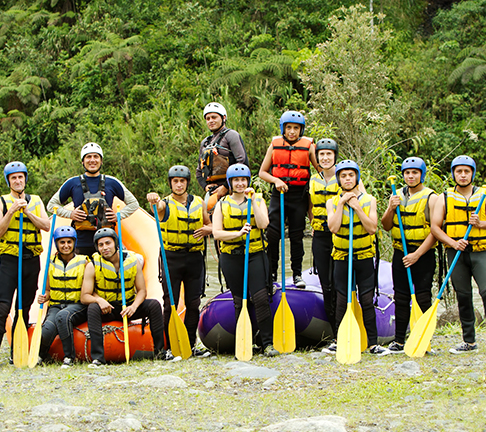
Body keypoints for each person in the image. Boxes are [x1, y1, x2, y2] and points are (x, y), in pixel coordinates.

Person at [212, 164, 278, 356]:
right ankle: (244, 342)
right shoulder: (221, 204)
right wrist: (238, 233)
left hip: (255, 254)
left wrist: (253, 201)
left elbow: (264, 224)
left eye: (243, 180)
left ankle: (267, 343)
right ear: (230, 183)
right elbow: (217, 233)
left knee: (261, 298)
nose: (240, 184)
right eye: (236, 180)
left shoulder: (258, 200)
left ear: (248, 181)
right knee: (240, 301)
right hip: (231, 257)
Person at [147, 165, 212, 357]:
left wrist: (208, 229)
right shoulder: (164, 204)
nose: (179, 184)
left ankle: (190, 345)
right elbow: (157, 207)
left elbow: (209, 224)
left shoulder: (199, 202)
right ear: (170, 184)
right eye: (175, 181)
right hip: (171, 258)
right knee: (171, 303)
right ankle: (168, 348)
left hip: (194, 258)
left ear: (187, 183)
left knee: (193, 304)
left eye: (182, 181)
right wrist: (153, 199)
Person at [326, 160, 388, 355]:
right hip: (342, 257)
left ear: (356, 178)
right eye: (343, 176)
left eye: (351, 175)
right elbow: (333, 228)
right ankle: (338, 340)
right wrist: (342, 203)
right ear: (339, 179)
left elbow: (372, 228)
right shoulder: (332, 202)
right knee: (342, 299)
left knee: (367, 300)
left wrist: (357, 207)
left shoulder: (369, 200)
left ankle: (373, 343)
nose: (347, 179)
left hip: (363, 256)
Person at [81, 228, 168, 366]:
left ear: (116, 244)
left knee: (154, 305)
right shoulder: (92, 265)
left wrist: (133, 307)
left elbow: (142, 291)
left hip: (128, 307)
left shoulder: (133, 262)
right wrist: (99, 300)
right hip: (107, 309)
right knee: (92, 308)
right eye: (100, 245)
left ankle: (160, 351)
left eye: (108, 243)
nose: (105, 248)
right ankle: (98, 357)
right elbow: (85, 296)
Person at [430, 155, 486, 354]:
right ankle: (469, 341)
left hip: (481, 251)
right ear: (453, 174)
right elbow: (435, 227)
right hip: (456, 253)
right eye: (459, 171)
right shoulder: (444, 197)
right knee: (463, 295)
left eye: (466, 171)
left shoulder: (484, 195)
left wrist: (481, 224)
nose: (463, 175)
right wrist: (454, 243)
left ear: (472, 174)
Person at [381, 157, 438, 353]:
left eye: (415, 172)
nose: (411, 176)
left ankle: (424, 339)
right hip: (400, 252)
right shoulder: (396, 195)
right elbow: (386, 225)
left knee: (423, 296)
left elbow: (435, 231)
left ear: (422, 174)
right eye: (407, 173)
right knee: (401, 296)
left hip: (423, 253)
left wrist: (417, 255)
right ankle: (399, 341)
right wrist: (391, 208)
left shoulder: (432, 197)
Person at [259, 110, 319, 288]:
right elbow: (262, 172)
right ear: (283, 128)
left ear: (301, 130)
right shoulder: (275, 145)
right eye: (289, 128)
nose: (292, 131)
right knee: (272, 235)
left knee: (296, 236)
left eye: (296, 128)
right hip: (279, 195)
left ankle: (297, 274)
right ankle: (271, 273)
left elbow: (321, 170)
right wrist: (276, 180)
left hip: (299, 196)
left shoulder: (309, 146)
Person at [47, 142, 139, 256]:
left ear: (101, 161)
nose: (92, 160)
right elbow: (51, 205)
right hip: (81, 242)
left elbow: (133, 203)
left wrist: (118, 216)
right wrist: (70, 214)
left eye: (96, 156)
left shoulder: (112, 182)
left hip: (106, 242)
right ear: (83, 161)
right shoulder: (72, 183)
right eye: (88, 157)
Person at [0, 162, 50, 361]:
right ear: (9, 181)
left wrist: (28, 212)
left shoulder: (36, 201)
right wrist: (12, 211)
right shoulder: (3, 201)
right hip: (9, 259)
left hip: (31, 259)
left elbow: (46, 225)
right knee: (3, 307)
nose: (18, 181)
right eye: (13, 178)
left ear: (25, 179)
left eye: (20, 177)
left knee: (24, 306)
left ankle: (17, 352)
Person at [37, 226, 89, 367]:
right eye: (62, 242)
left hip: (77, 305)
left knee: (63, 316)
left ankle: (69, 357)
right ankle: (41, 355)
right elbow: (48, 290)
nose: (66, 245)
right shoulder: (51, 263)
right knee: (47, 329)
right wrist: (44, 297)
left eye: (69, 242)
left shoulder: (84, 262)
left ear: (74, 243)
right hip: (56, 305)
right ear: (56, 244)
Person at [308, 139, 340, 336]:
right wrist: (313, 223)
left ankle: (343, 328)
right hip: (320, 235)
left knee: (339, 284)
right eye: (322, 154)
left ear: (335, 156)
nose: (325, 158)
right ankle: (334, 332)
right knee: (326, 285)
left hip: (341, 236)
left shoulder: (346, 176)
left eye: (329, 154)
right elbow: (310, 206)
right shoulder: (313, 180)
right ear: (317, 157)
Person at [196, 103, 249, 212]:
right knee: (209, 217)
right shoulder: (205, 143)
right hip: (213, 191)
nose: (211, 121)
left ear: (223, 118)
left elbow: (242, 163)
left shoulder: (231, 136)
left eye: (214, 117)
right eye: (208, 118)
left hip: (232, 189)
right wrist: (205, 186)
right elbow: (199, 171)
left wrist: (225, 187)